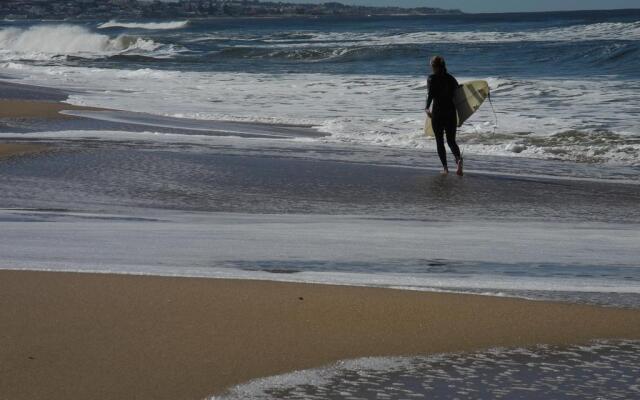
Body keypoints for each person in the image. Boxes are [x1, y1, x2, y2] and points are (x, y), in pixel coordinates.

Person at [425, 55, 463, 176]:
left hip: (438, 112)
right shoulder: (450, 78)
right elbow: (459, 94)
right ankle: (458, 159)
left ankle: (445, 168)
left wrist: (427, 108)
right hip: (451, 112)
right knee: (451, 140)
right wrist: (462, 115)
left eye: (431, 65)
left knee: (440, 141)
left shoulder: (431, 78)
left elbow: (430, 95)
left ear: (434, 66)